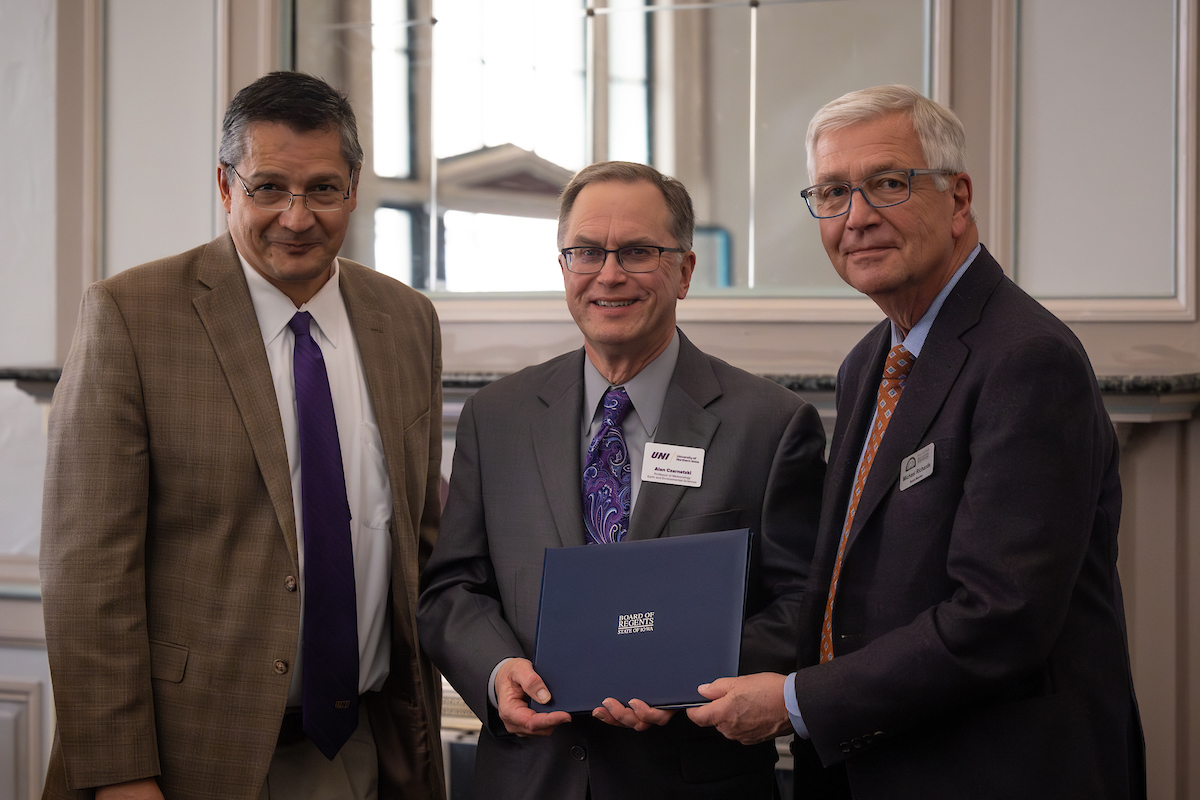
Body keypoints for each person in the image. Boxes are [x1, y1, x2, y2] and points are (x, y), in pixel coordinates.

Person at [687, 85, 1146, 799]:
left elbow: (1001, 617)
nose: (858, 217)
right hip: (875, 762)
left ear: (958, 199)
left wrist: (796, 702)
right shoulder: (870, 360)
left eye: (889, 184)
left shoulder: (1027, 359)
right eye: (833, 193)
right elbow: (847, 584)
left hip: (995, 770)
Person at [40, 72, 444, 800]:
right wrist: (123, 778)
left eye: (323, 189)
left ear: (353, 188)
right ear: (226, 187)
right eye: (268, 188)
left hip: (361, 752)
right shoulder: (132, 315)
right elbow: (87, 577)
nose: (297, 217)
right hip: (187, 758)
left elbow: (424, 538)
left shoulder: (406, 320)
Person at [416, 161, 826, 799]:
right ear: (563, 268)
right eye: (586, 252)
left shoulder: (769, 425)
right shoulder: (495, 418)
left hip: (690, 776)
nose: (609, 274)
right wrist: (497, 671)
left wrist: (684, 673)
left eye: (637, 252)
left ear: (684, 272)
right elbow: (452, 590)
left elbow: (805, 603)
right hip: (532, 777)